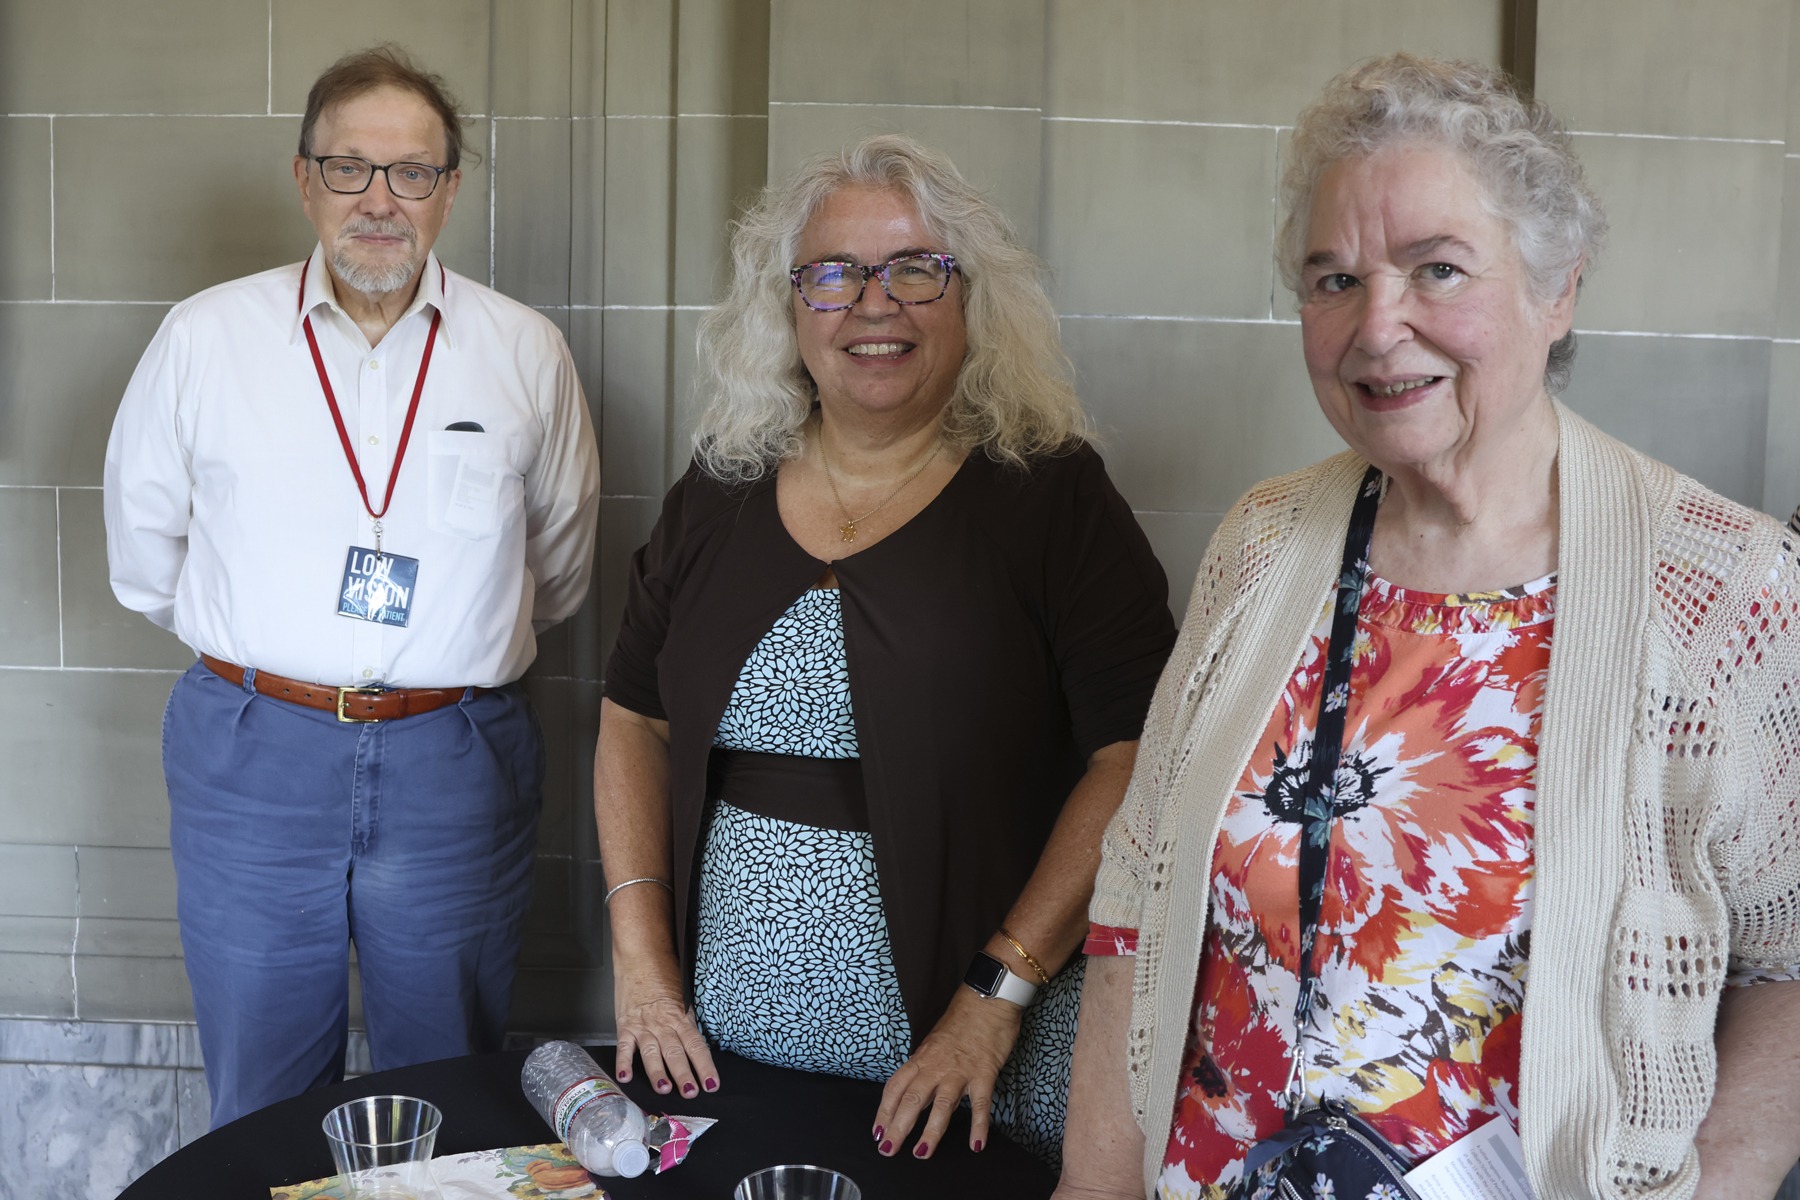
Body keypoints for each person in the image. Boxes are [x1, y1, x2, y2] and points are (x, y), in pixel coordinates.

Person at [1056, 53, 1800, 1200]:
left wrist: (1725, 1188)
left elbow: (1788, 964)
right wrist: (1091, 1186)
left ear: (1558, 290)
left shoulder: (1724, 586)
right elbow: (1136, 899)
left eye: (1436, 269)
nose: (1378, 326)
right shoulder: (1259, 546)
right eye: (1332, 279)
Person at [596, 134, 1175, 1166]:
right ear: (788, 306)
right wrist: (641, 962)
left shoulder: (1052, 498)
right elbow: (635, 714)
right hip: (728, 1050)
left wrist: (995, 995)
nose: (876, 303)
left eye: (917, 269)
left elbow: (1135, 758)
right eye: (833, 273)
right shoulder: (720, 491)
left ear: (971, 300)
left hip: (972, 1062)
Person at [103, 45, 599, 1127]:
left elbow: (554, 571)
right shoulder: (205, 339)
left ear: (452, 189)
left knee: (449, 1078)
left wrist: (441, 657)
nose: (380, 200)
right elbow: (144, 559)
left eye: (411, 172)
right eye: (349, 169)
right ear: (303, 179)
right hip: (254, 753)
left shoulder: (526, 354)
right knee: (263, 1091)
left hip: (455, 756)